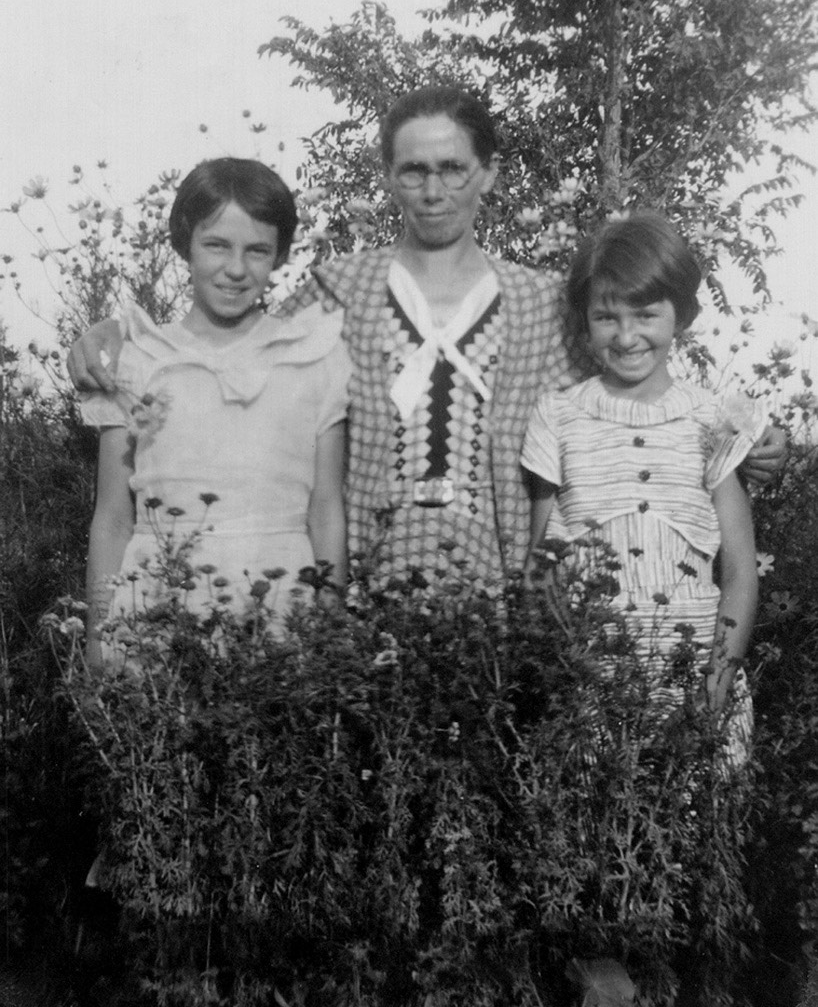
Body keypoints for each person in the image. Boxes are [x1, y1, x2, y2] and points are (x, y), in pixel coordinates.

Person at [68, 87, 785, 591]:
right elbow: (236, 353)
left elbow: (631, 392)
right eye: (414, 170)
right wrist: (109, 339)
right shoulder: (338, 290)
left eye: (452, 169)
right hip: (363, 588)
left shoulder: (542, 302)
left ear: (488, 174)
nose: (433, 191)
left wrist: (739, 440)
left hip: (503, 593)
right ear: (389, 176)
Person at [81, 157, 349, 666]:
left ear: (279, 255)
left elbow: (326, 508)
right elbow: (113, 518)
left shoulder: (315, 355)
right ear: (186, 244)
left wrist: (331, 633)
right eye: (217, 245)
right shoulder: (139, 358)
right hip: (158, 600)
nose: (236, 269)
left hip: (281, 598)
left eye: (257, 250)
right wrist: (98, 639)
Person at [521, 213, 763, 720]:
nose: (627, 337)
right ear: (585, 320)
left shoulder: (713, 419)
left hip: (698, 683)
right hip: (591, 687)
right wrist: (564, 673)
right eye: (606, 317)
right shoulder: (557, 416)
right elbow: (539, 568)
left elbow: (741, 571)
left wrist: (715, 690)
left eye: (646, 315)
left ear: (682, 314)